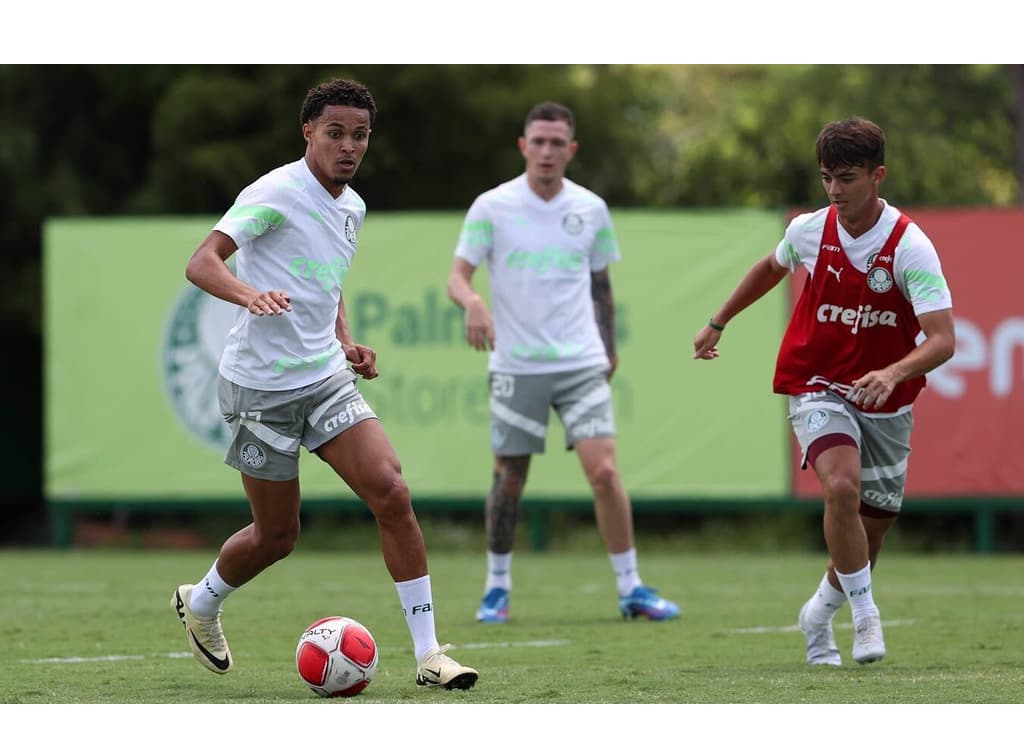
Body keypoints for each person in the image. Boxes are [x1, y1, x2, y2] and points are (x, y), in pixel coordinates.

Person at [171, 77, 478, 691]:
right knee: (277, 537)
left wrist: (342, 338)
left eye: (359, 135)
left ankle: (429, 654)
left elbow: (326, 283)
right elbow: (202, 261)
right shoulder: (275, 192)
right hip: (258, 392)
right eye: (335, 132)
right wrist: (248, 292)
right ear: (307, 132)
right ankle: (201, 601)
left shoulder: (352, 208)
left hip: (324, 381)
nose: (348, 146)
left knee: (391, 492)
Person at [693, 116, 955, 665]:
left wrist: (892, 373)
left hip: (887, 398)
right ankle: (866, 618)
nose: (835, 191)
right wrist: (719, 320)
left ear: (877, 175)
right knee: (840, 487)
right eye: (826, 178)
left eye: (848, 178)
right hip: (816, 382)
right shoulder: (808, 229)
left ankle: (818, 614)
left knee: (872, 530)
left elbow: (943, 341)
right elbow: (770, 267)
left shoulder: (911, 247)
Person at [446, 101, 681, 624]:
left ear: (571, 150)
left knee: (604, 472)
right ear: (523, 146)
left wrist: (609, 347)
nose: (547, 151)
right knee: (509, 479)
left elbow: (601, 284)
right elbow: (457, 277)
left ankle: (631, 588)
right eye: (539, 141)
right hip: (515, 365)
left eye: (558, 143)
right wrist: (475, 303)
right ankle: (496, 589)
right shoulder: (492, 207)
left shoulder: (591, 209)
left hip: (580, 362)